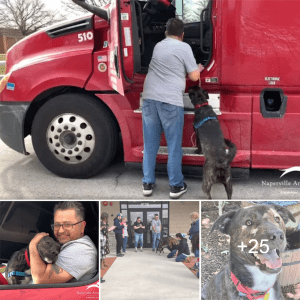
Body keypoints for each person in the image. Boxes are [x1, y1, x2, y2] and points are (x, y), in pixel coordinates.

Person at [142, 18, 201, 199]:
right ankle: (176, 186)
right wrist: (198, 68)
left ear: (165, 33)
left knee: (150, 144)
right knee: (174, 146)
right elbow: (193, 76)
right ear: (182, 35)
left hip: (149, 98)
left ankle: (147, 183)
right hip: (170, 100)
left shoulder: (159, 45)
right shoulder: (184, 47)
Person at [29, 201, 97, 284]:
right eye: (57, 225)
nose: (60, 231)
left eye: (68, 225)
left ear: (82, 226)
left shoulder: (81, 249)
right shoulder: (68, 246)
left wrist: (32, 245)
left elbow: (39, 280)